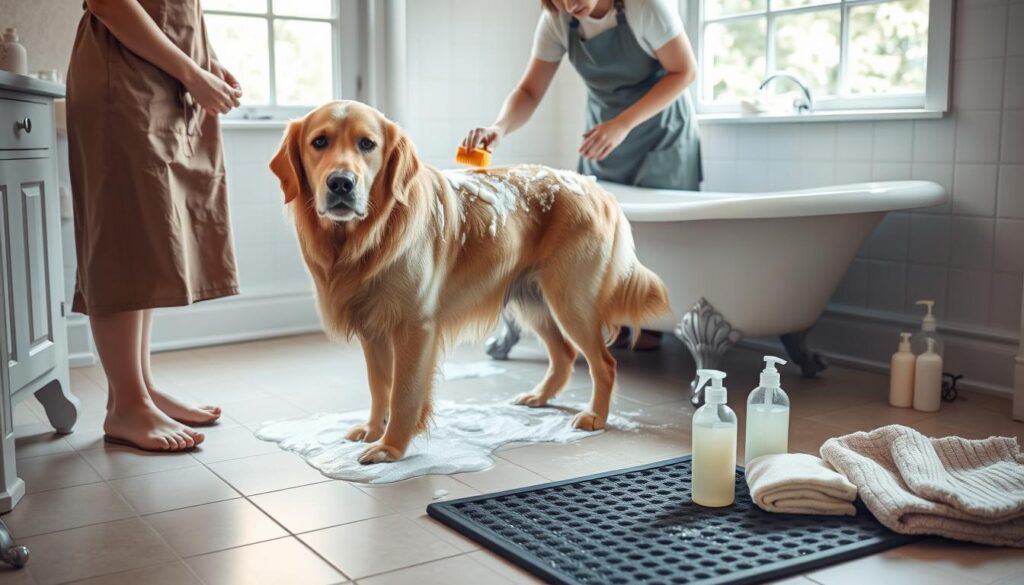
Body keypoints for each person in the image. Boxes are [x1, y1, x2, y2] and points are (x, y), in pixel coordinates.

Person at [462, 0, 701, 349]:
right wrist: (499, 128)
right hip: (602, 135)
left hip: (659, 133)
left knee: (655, 236)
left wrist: (623, 124)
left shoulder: (646, 8)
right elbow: (529, 91)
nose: (569, 3)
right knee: (597, 226)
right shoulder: (558, 22)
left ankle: (647, 327)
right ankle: (608, 316)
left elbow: (685, 72)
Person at [66, 0, 242, 451]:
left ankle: (139, 387)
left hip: (154, 78)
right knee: (121, 237)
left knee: (142, 238)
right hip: (123, 77)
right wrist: (192, 72)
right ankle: (126, 403)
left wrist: (207, 64)